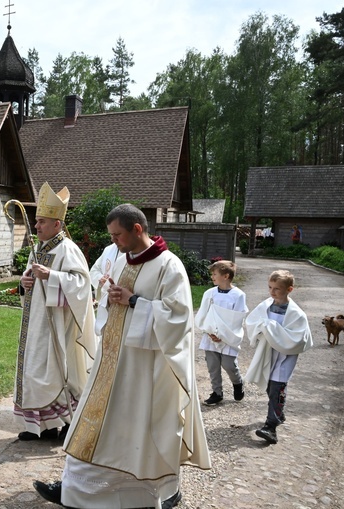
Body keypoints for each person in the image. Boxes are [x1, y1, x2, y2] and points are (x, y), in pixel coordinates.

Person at [34, 203, 210, 509]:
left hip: (145, 369)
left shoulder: (169, 266)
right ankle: (75, 490)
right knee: (92, 426)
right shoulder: (121, 261)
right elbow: (109, 302)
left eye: (117, 235)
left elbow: (179, 319)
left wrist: (135, 302)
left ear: (137, 229)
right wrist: (111, 297)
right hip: (111, 364)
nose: (113, 241)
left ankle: (153, 492)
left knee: (138, 432)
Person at [14, 182, 96, 441]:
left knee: (55, 372)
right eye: (36, 221)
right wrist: (24, 282)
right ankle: (43, 425)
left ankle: (66, 423)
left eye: (41, 221)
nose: (36, 226)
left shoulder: (68, 249)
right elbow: (30, 279)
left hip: (58, 326)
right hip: (35, 322)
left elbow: (83, 286)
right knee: (35, 370)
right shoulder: (37, 249)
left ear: (57, 225)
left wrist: (53, 276)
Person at [244, 270, 313, 445]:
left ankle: (271, 427)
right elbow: (252, 322)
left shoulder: (296, 314)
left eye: (277, 289)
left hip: (284, 357)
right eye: (270, 287)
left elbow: (297, 338)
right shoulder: (266, 305)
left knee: (277, 388)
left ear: (290, 289)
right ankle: (278, 414)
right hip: (267, 352)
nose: (272, 292)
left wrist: (271, 328)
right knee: (269, 385)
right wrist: (264, 328)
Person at [196, 260, 248, 405]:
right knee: (213, 366)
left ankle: (237, 383)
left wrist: (223, 335)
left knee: (229, 365)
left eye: (214, 274)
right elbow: (204, 313)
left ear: (225, 276)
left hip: (228, 337)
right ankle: (217, 392)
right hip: (210, 336)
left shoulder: (238, 295)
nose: (212, 276)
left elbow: (237, 318)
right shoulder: (209, 293)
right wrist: (209, 332)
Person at [89, 242, 123, 332]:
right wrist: (101, 279)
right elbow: (94, 270)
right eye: (111, 234)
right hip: (106, 302)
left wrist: (108, 284)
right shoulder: (109, 249)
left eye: (117, 234)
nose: (113, 238)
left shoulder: (135, 250)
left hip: (121, 302)